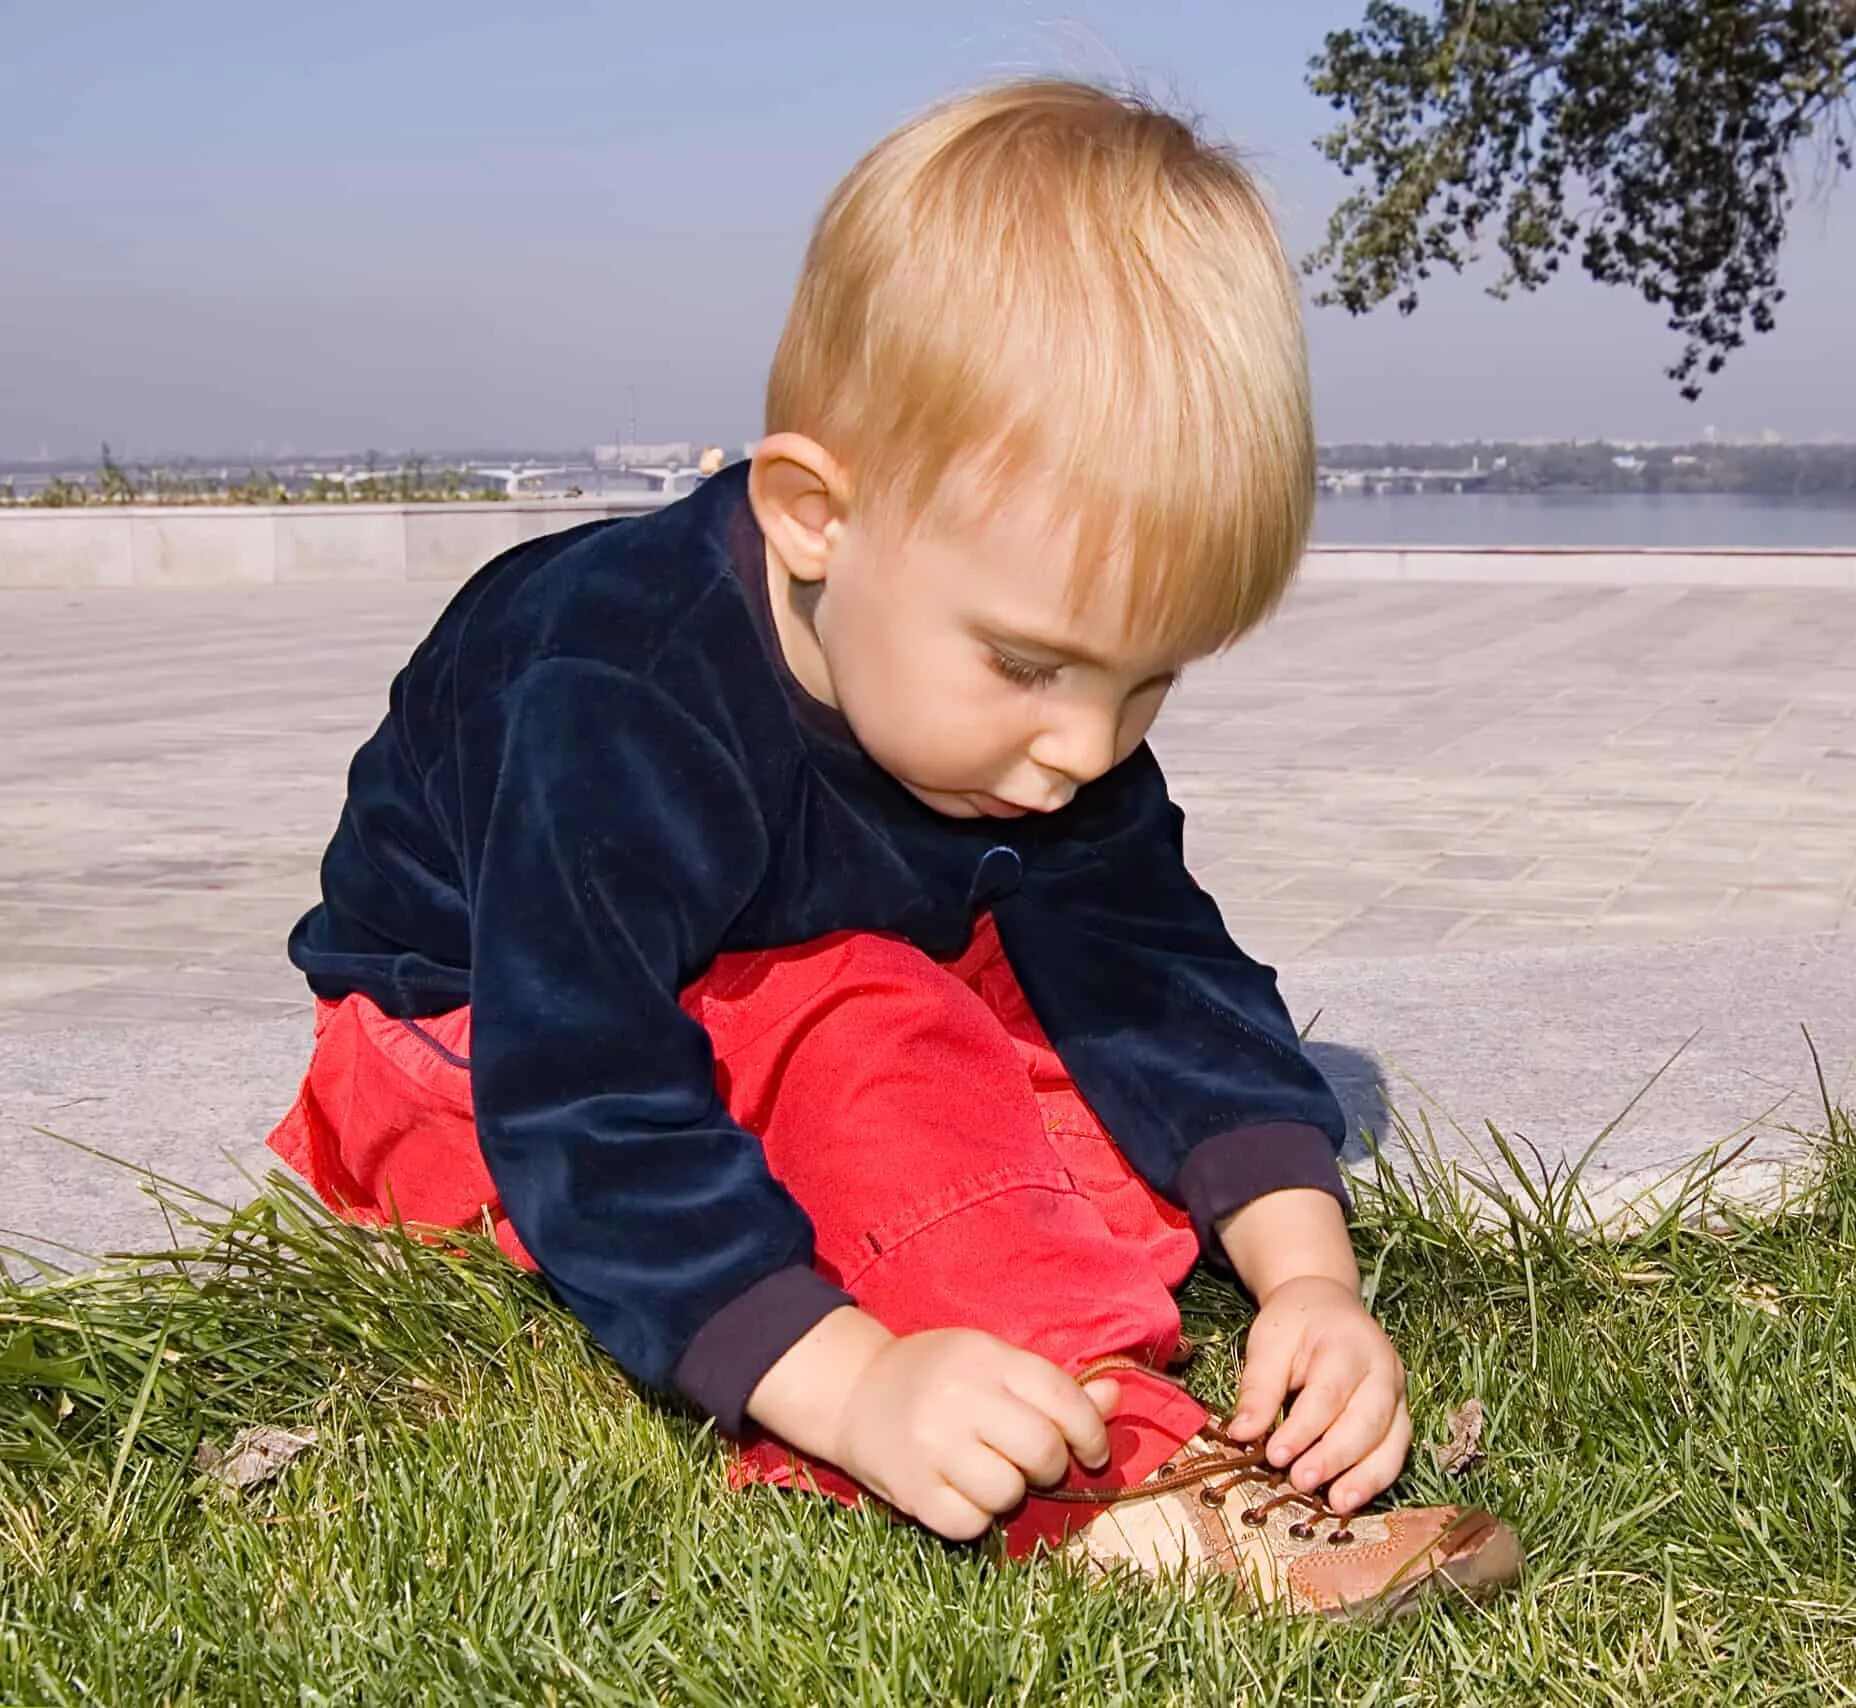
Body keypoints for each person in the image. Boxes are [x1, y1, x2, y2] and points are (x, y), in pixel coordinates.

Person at [264, 78, 1520, 1619]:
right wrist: (848, 1384)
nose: (1087, 747)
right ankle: (1121, 1471)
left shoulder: (1034, 725)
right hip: (468, 1055)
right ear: (813, 518)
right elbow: (585, 1090)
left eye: (1149, 683)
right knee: (868, 1018)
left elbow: (1159, 973)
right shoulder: (617, 689)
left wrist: (1306, 1274)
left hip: (718, 993)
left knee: (1054, 1007)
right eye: (1031, 665)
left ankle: (1015, 1248)